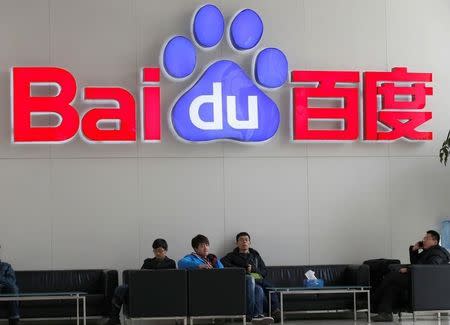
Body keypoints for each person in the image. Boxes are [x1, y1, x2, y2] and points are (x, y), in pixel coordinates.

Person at [372, 230, 450, 322]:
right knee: (392, 286)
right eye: (424, 238)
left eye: (426, 238)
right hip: (417, 278)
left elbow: (431, 268)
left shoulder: (437, 253)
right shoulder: (428, 251)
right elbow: (417, 264)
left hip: (424, 282)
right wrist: (414, 250)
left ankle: (372, 300)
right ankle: (386, 313)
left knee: (391, 277)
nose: (423, 240)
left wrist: (409, 269)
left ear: (435, 242)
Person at [106, 239, 176, 325]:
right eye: (155, 251)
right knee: (121, 288)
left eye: (160, 251)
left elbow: (173, 281)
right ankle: (114, 318)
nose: (157, 253)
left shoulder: (171, 263)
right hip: (145, 288)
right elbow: (139, 276)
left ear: (165, 250)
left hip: (161, 290)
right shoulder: (148, 262)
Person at [221, 232, 280, 324]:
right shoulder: (231, 256)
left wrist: (253, 269)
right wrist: (243, 269)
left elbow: (264, 271)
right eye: (241, 240)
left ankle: (257, 316)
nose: (244, 242)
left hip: (258, 280)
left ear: (249, 242)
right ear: (237, 243)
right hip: (243, 283)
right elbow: (222, 264)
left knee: (259, 289)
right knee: (266, 285)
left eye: (246, 240)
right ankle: (275, 309)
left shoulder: (255, 255)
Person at [0, 246, 20, 325]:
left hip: (4, 290)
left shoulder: (6, 266)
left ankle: (14, 320)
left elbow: (11, 282)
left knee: (13, 288)